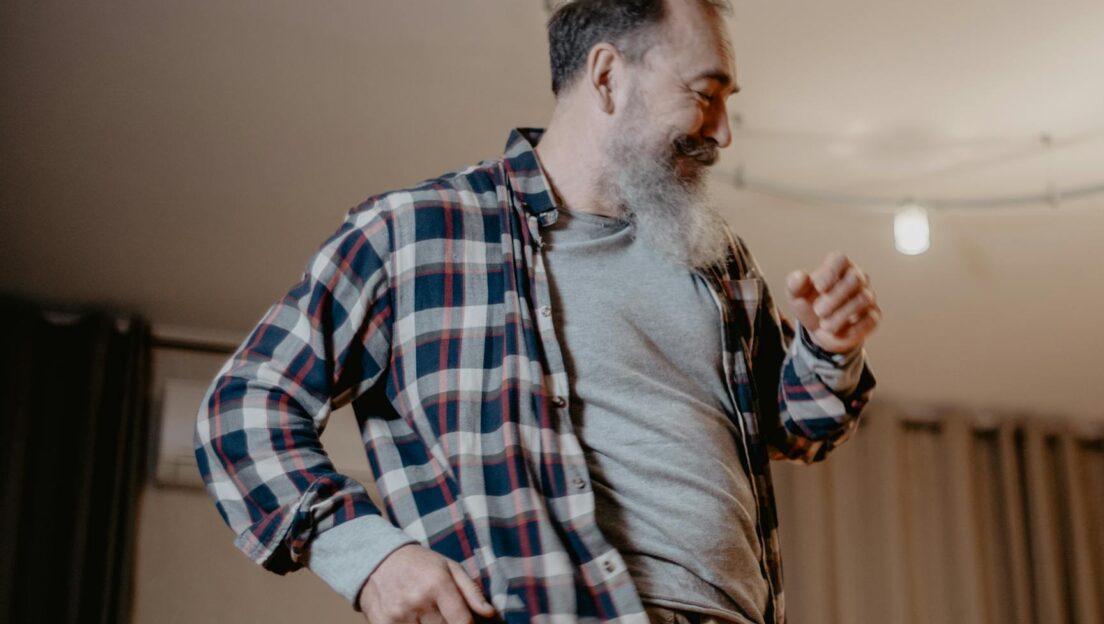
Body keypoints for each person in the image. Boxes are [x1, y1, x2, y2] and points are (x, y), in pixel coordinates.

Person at [194, 0, 881, 622]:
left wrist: (827, 348)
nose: (724, 132)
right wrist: (370, 558)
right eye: (706, 95)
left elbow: (795, 429)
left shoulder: (716, 257)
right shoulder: (415, 232)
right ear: (608, 78)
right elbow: (246, 406)